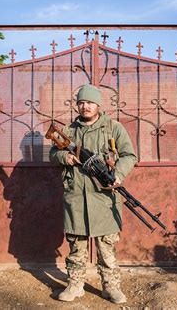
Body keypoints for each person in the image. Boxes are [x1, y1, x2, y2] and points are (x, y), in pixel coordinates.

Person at [49, 84, 137, 304]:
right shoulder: (69, 131)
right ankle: (75, 285)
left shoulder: (113, 128)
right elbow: (53, 153)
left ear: (98, 104)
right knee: (76, 245)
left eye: (89, 102)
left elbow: (129, 155)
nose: (85, 106)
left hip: (104, 197)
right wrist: (65, 158)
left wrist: (118, 173)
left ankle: (111, 287)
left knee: (106, 246)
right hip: (76, 195)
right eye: (81, 102)